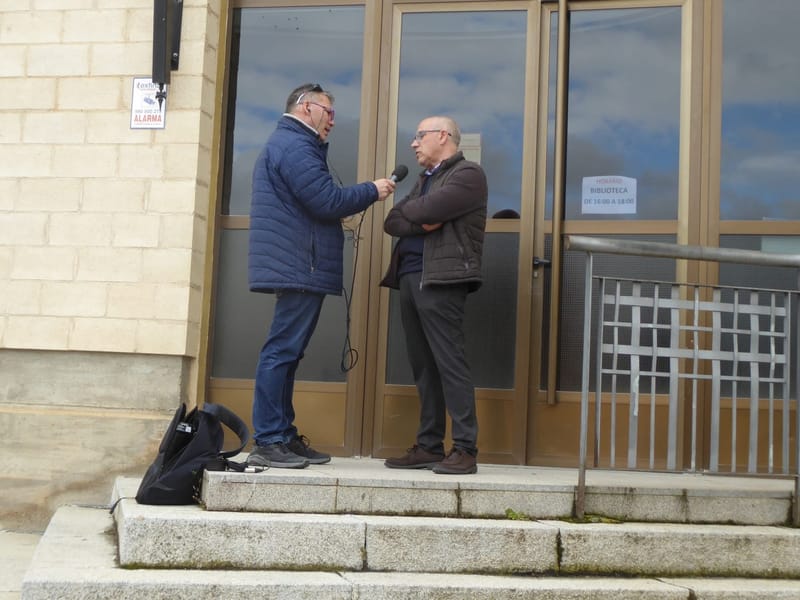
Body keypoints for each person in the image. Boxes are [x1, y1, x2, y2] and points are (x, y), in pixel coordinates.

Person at [247, 83, 396, 469]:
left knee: (288, 352)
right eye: (328, 111)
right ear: (305, 107)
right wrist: (373, 190)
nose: (333, 119)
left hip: (298, 261)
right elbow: (326, 200)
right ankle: (268, 439)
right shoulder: (295, 145)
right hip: (298, 262)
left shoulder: (293, 145)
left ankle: (282, 434)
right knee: (281, 351)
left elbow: (312, 202)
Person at [380, 116, 488, 475]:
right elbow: (391, 221)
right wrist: (421, 218)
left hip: (442, 279)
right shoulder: (426, 180)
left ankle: (464, 448)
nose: (413, 144)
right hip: (411, 277)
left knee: (448, 363)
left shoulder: (468, 175)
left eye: (419, 136)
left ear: (443, 136)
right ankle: (429, 445)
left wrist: (421, 214)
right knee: (424, 366)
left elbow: (424, 211)